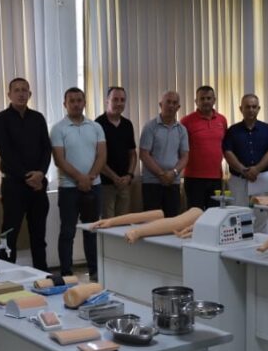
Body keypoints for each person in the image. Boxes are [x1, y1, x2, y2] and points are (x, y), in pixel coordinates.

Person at [0, 77, 51, 270]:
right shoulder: (1, 119)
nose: (21, 93)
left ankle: (42, 274)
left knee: (39, 235)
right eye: (16, 90)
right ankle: (6, 274)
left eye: (24, 90)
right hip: (14, 186)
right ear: (9, 94)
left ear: (30, 94)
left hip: (38, 186)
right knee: (9, 235)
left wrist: (41, 173)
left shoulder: (38, 118)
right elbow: (6, 153)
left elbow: (46, 149)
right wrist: (28, 177)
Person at [51, 87, 106, 279]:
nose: (76, 104)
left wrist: (89, 177)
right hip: (69, 189)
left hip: (94, 187)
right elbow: (59, 160)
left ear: (84, 103)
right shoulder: (58, 129)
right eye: (71, 101)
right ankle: (66, 274)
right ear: (65, 104)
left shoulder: (96, 127)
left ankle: (95, 271)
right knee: (67, 232)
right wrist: (80, 178)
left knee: (92, 230)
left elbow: (102, 155)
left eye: (79, 100)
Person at [138, 91, 189, 218]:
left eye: (174, 103)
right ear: (161, 104)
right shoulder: (150, 127)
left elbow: (185, 156)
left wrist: (174, 173)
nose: (171, 105)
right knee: (151, 222)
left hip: (173, 182)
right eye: (168, 102)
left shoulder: (182, 130)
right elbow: (144, 154)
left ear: (178, 107)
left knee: (172, 221)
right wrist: (161, 174)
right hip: (152, 183)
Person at [180, 85, 229, 210]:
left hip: (216, 177)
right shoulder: (186, 121)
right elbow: (180, 149)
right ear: (196, 101)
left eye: (208, 98)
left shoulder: (222, 120)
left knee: (214, 214)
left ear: (214, 100)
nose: (206, 101)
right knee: (194, 215)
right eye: (202, 98)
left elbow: (225, 146)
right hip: (193, 178)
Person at [95, 86, 138, 218]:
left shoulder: (127, 124)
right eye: (115, 99)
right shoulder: (97, 124)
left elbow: (132, 154)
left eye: (122, 100)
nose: (119, 103)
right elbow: (96, 158)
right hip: (105, 184)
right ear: (107, 101)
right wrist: (114, 178)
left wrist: (129, 175)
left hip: (125, 183)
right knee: (108, 222)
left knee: (123, 222)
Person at [223, 94, 268, 182]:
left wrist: (257, 169)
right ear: (241, 109)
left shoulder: (267, 129)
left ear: (258, 109)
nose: (251, 110)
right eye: (247, 107)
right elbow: (228, 152)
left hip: (263, 178)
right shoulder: (232, 130)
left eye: (254, 107)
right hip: (239, 179)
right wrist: (243, 170)